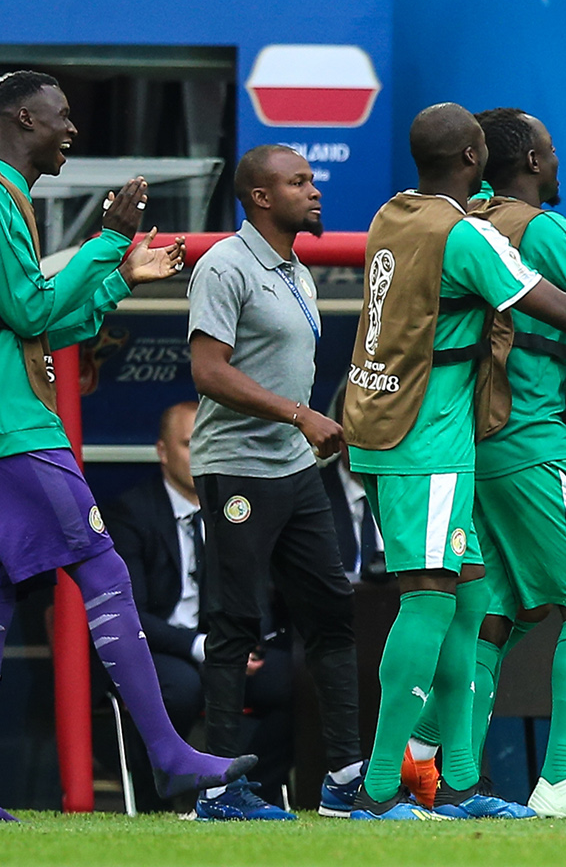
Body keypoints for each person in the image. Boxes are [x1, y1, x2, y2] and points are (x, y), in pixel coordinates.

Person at [340, 102, 566, 823]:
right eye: (553, 149)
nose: (557, 157)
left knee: (485, 609)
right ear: (481, 160)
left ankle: (444, 772)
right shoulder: (468, 236)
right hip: (483, 441)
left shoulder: (402, 218)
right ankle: (404, 789)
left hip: (448, 440)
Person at [0, 71, 243, 824]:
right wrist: (107, 240)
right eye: (60, 118)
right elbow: (32, 306)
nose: (72, 130)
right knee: (103, 569)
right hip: (8, 428)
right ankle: (168, 753)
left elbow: (41, 325)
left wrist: (117, 274)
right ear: (20, 117)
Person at [184, 144, 362, 822]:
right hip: (237, 468)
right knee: (234, 625)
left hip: (293, 469)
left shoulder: (292, 268)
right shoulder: (226, 265)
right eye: (298, 183)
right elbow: (207, 370)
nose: (314, 192)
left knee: (332, 615)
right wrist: (299, 413)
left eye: (311, 180)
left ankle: (345, 781)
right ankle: (219, 788)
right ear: (260, 197)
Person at [97, 401, 294, 813]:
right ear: (162, 451)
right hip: (160, 649)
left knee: (290, 680)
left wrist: (241, 643)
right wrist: (202, 647)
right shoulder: (130, 512)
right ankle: (155, 806)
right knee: (180, 689)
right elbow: (127, 612)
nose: (200, 454)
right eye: (188, 444)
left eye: (207, 443)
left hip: (222, 648)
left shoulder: (235, 508)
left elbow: (256, 589)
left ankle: (254, 794)